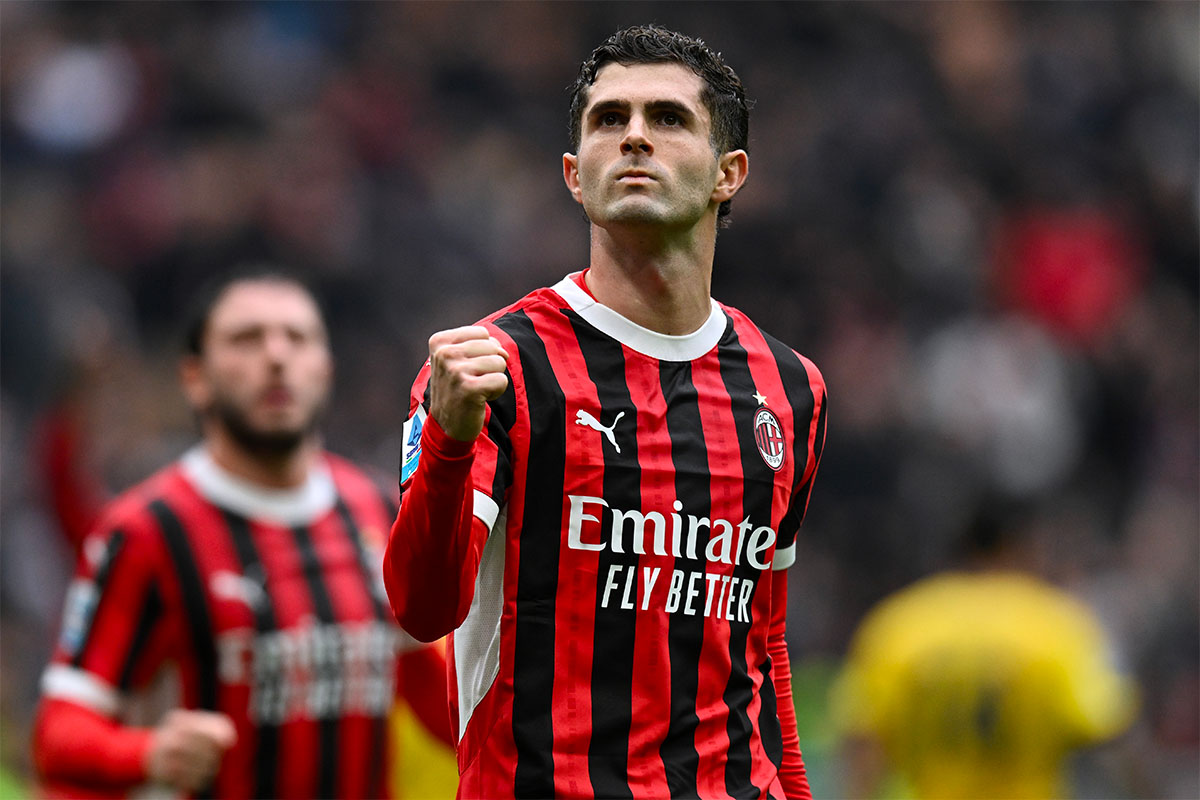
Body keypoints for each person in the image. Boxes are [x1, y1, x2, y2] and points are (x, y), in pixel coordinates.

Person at [385, 24, 828, 800]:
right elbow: (423, 611)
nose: (633, 138)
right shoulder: (494, 368)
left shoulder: (790, 389)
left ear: (729, 174)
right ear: (572, 175)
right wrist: (450, 446)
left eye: (667, 118)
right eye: (607, 120)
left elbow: (763, 644)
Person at [33, 269, 454, 799]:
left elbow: (420, 683)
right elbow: (59, 729)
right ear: (196, 378)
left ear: (324, 369)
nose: (276, 356)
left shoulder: (371, 507)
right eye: (246, 339)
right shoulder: (149, 530)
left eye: (297, 338)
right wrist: (148, 753)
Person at [829, 501, 1138, 800]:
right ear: (1018, 546)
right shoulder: (1054, 624)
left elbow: (863, 742)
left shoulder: (900, 624)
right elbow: (1113, 729)